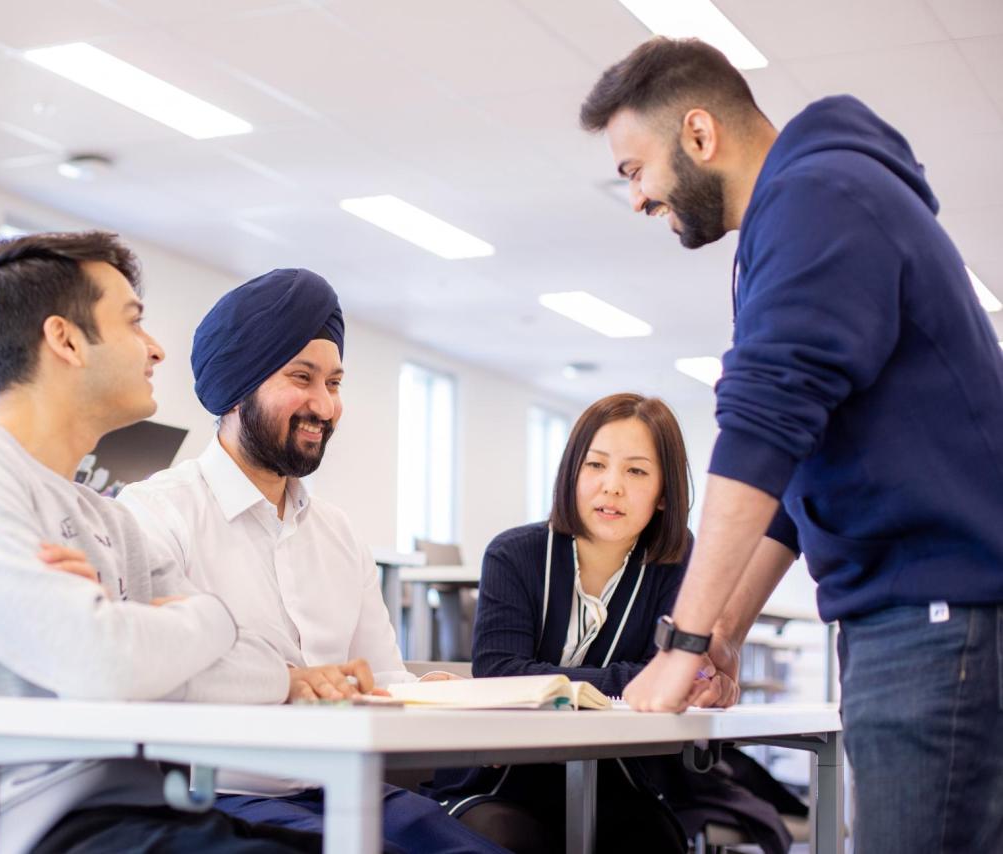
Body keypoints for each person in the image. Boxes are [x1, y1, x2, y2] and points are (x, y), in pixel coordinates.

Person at [580, 37, 1003, 851]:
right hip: (923, 617)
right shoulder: (799, 212)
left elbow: (764, 430)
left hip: (940, 617)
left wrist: (684, 642)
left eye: (635, 170)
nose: (635, 199)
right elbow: (799, 464)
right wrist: (728, 631)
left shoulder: (819, 199)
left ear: (698, 134)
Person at [0, 232, 318, 854]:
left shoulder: (102, 515)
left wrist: (162, 628)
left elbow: (254, 668)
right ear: (66, 339)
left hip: (139, 813)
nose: (156, 348)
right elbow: (104, 664)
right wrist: (184, 623)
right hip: (25, 829)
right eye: (134, 322)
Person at [118, 268, 504, 854]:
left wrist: (438, 694)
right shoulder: (156, 515)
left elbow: (381, 677)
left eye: (335, 382)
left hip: (350, 789)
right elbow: (148, 682)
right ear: (237, 386)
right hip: (221, 800)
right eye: (302, 377)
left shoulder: (337, 532)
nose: (325, 406)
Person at [424, 394, 796, 854]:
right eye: (595, 465)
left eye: (636, 471)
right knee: (501, 839)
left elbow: (677, 678)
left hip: (619, 778)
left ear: (664, 494)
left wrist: (671, 677)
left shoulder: (678, 565)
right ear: (572, 473)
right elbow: (501, 675)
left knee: (653, 840)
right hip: (502, 779)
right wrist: (639, 677)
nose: (612, 486)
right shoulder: (514, 554)